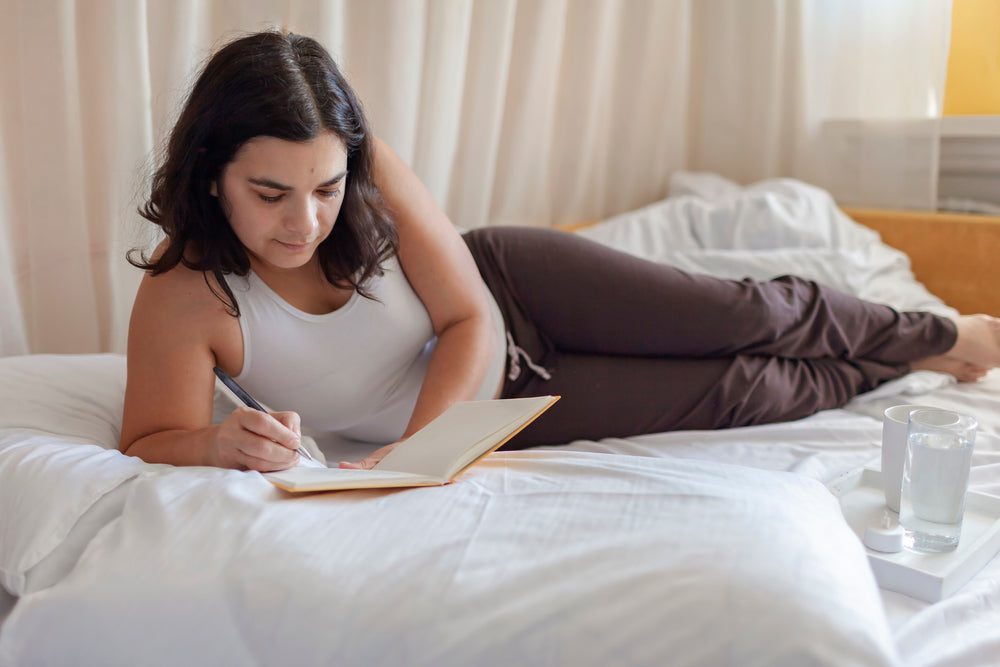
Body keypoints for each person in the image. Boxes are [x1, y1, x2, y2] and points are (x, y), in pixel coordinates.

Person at [120, 29, 1000, 473]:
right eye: (269, 195)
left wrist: (417, 459)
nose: (305, 223)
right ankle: (889, 369)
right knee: (746, 388)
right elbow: (149, 437)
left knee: (745, 312)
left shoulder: (371, 164)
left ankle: (935, 331)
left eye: (325, 188)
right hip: (497, 409)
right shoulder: (184, 295)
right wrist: (218, 444)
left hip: (513, 289)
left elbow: (467, 312)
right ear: (209, 176)